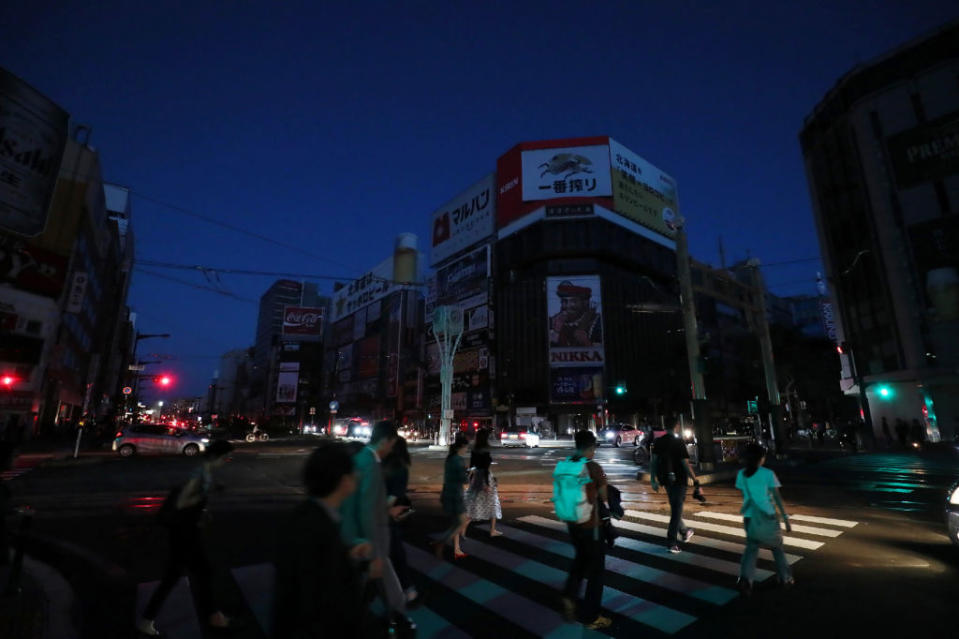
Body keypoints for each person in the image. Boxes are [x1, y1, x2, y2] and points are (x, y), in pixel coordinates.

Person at [273, 441, 370, 638]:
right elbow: (321, 597)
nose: (358, 476)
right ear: (344, 481)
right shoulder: (317, 527)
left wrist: (347, 555)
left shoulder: (307, 516)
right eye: (354, 472)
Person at [137, 440, 235, 637]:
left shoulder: (204, 472)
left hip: (186, 531)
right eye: (226, 458)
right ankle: (214, 617)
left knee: (187, 574)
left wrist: (205, 501)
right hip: (185, 533)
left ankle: (212, 615)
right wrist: (203, 497)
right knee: (198, 573)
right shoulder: (200, 473)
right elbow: (182, 502)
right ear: (216, 457)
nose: (227, 461)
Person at [339, 421, 415, 634]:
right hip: (370, 544)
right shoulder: (372, 465)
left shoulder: (360, 458)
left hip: (353, 539)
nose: (392, 448)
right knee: (395, 598)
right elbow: (366, 511)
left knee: (360, 596)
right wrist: (376, 555)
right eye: (392, 443)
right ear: (387, 441)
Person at [559, 430, 611, 630]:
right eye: (594, 448)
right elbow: (604, 496)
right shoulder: (594, 467)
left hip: (573, 524)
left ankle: (569, 595)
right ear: (590, 448)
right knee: (596, 571)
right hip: (591, 526)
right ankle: (591, 616)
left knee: (580, 560)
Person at [735, 442, 793, 596]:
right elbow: (777, 497)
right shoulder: (768, 474)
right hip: (768, 517)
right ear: (761, 458)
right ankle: (785, 578)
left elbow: (745, 497)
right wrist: (785, 518)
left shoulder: (742, 474)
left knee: (751, 549)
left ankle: (746, 580)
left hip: (750, 517)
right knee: (777, 548)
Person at [650, 417, 699, 553]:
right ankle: (671, 542)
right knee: (676, 510)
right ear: (677, 426)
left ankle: (684, 531)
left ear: (665, 427)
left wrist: (653, 480)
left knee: (676, 508)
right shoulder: (678, 442)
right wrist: (695, 480)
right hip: (679, 480)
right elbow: (685, 464)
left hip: (665, 480)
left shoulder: (659, 441)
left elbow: (653, 462)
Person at [382, 436, 418, 604]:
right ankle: (407, 590)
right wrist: (387, 511)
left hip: (377, 517)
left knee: (391, 554)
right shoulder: (400, 468)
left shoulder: (380, 465)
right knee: (397, 554)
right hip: (388, 518)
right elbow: (394, 495)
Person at [431, 437, 471, 559]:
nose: (466, 450)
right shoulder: (458, 460)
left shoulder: (449, 459)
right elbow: (464, 479)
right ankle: (441, 542)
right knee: (462, 522)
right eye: (466, 447)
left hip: (447, 493)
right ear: (461, 447)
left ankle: (447, 545)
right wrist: (468, 473)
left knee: (456, 522)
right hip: (456, 494)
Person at [465, 428, 503, 537]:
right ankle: (492, 530)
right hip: (485, 478)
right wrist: (486, 483)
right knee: (493, 503)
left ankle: (463, 530)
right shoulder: (485, 450)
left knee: (474, 504)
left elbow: (472, 466)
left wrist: (470, 477)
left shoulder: (474, 449)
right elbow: (485, 469)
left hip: (476, 478)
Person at [549, 280, 602, 347]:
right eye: (564, 301)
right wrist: (556, 332)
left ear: (583, 303)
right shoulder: (553, 321)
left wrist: (586, 342)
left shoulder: (597, 321)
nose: (568, 306)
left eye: (573, 301)